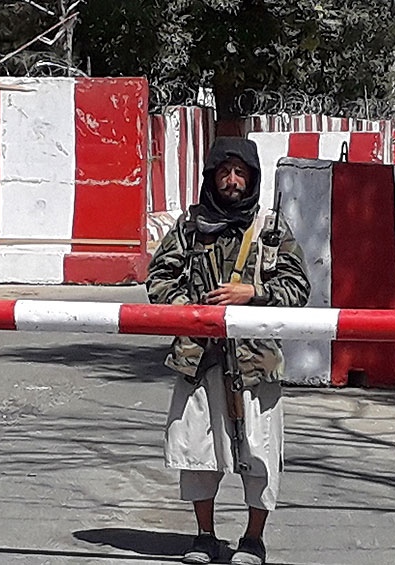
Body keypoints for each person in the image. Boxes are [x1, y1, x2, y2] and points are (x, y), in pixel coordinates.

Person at [145, 137, 311, 565]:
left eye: (240, 173)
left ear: (252, 178)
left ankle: (253, 539)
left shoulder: (271, 229)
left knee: (259, 450)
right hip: (199, 358)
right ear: (211, 177)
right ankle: (205, 536)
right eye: (224, 172)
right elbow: (160, 279)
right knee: (198, 451)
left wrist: (252, 293)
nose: (232, 181)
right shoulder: (190, 227)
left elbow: (298, 289)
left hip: (256, 361)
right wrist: (193, 312)